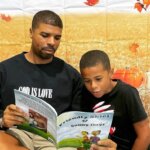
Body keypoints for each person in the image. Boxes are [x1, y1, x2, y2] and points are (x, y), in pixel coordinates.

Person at [0, 10, 116, 150]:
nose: (51, 42)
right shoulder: (5, 70)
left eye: (57, 37)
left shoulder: (71, 76)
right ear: (31, 32)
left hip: (55, 142)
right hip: (16, 134)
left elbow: (82, 120)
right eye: (45, 35)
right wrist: (2, 120)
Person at [79, 50, 150, 150]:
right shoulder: (84, 93)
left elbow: (145, 134)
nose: (93, 86)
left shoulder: (127, 93)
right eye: (87, 81)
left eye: (98, 79)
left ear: (111, 73)